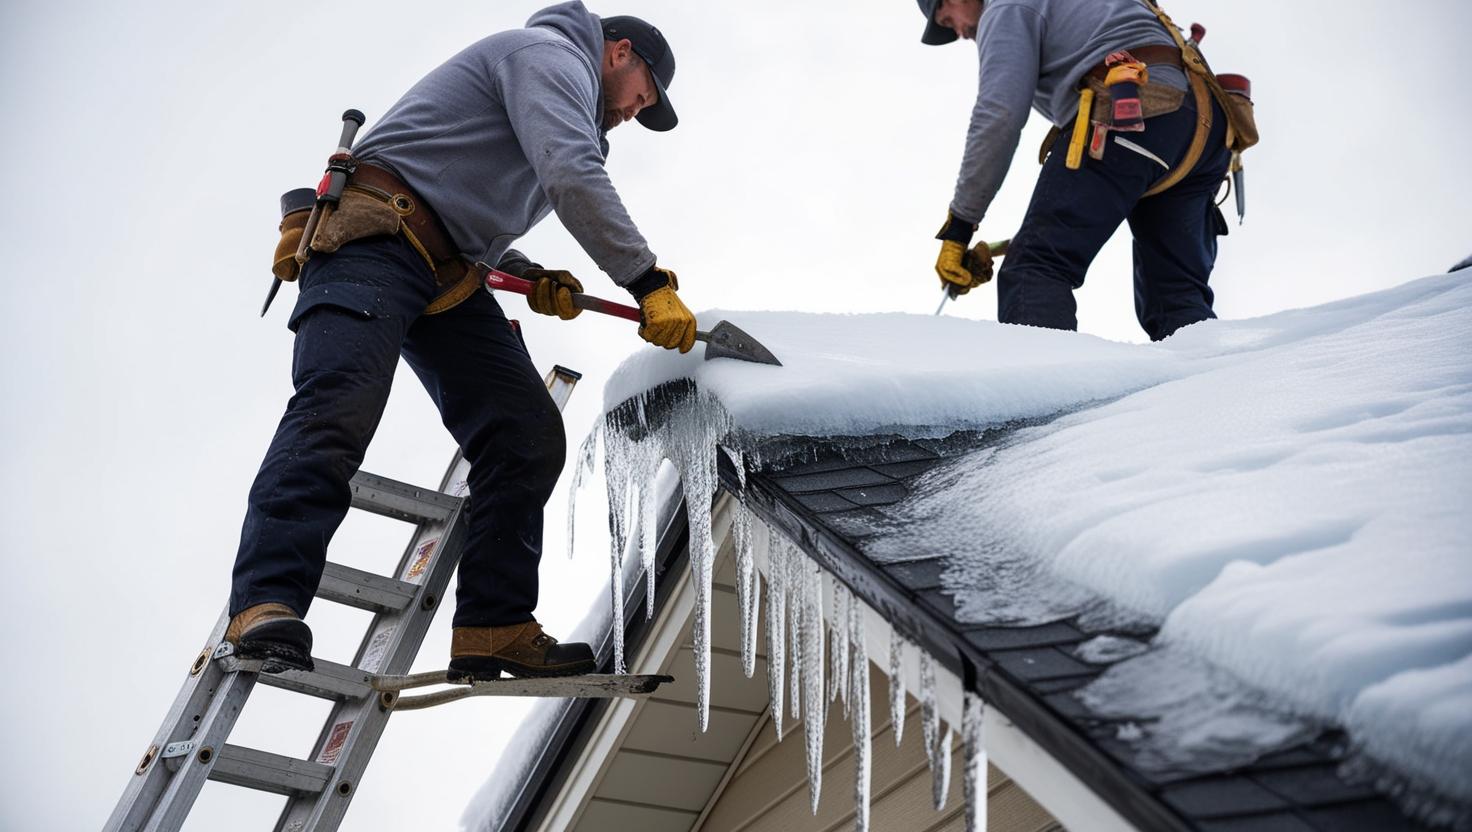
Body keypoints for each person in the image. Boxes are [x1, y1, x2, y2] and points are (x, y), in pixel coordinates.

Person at [227, 1, 695, 681]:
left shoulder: (558, 92)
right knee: (337, 410)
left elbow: (467, 198)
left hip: (443, 273)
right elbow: (570, 173)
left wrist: (531, 276)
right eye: (642, 95)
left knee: (524, 432)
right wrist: (646, 279)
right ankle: (265, 601)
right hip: (373, 244)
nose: (633, 112)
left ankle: (494, 626)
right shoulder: (549, 59)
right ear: (619, 52)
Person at [918, 0, 1232, 341]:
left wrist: (960, 226)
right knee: (1177, 297)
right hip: (1199, 128)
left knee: (1034, 267)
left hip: (1133, 112)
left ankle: (1043, 392)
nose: (959, 32)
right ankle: (1210, 391)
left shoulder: (1004, 6)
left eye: (947, 18)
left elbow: (999, 115)